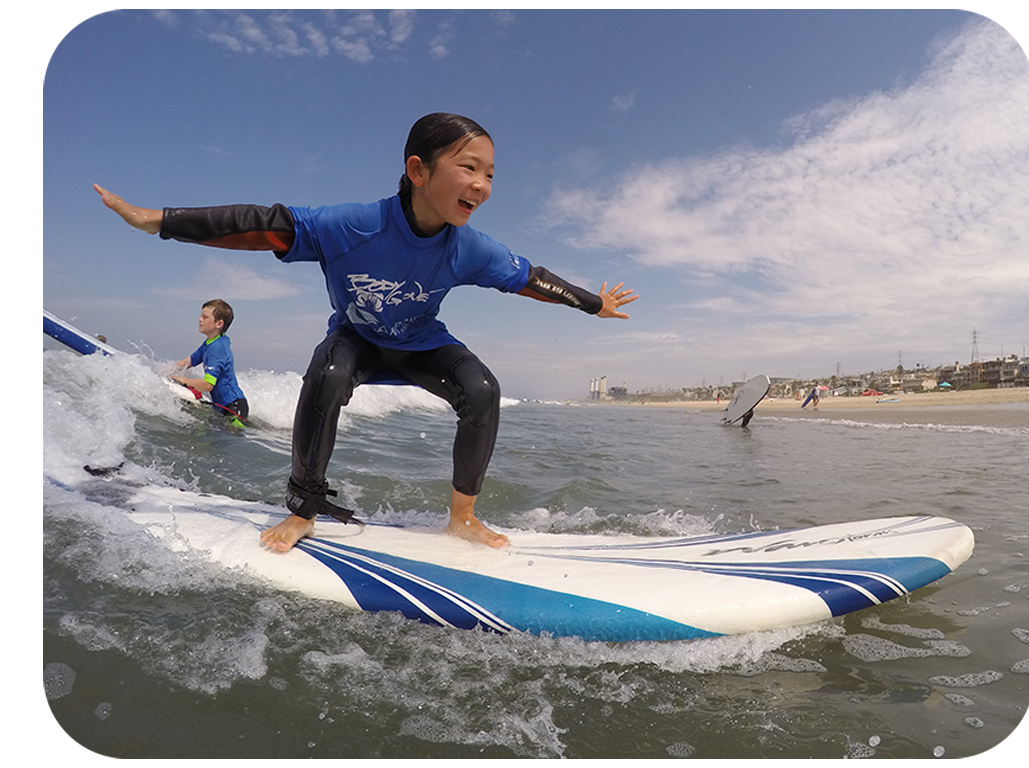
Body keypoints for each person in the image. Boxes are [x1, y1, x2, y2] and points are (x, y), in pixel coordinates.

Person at [94, 113, 638, 552]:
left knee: (482, 390)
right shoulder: (354, 225)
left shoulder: (470, 246)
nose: (483, 185)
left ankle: (463, 518)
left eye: (491, 174)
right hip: (356, 338)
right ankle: (303, 509)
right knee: (327, 376)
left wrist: (593, 305)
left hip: (423, 344)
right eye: (469, 167)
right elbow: (261, 223)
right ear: (419, 170)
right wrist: (157, 221)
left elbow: (530, 278)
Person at [171, 299, 250, 429]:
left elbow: (208, 385)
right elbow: (189, 361)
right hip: (224, 407)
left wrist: (182, 379)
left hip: (234, 409)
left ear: (219, 323)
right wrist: (167, 371)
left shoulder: (217, 348)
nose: (200, 319)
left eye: (205, 317)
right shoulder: (209, 343)